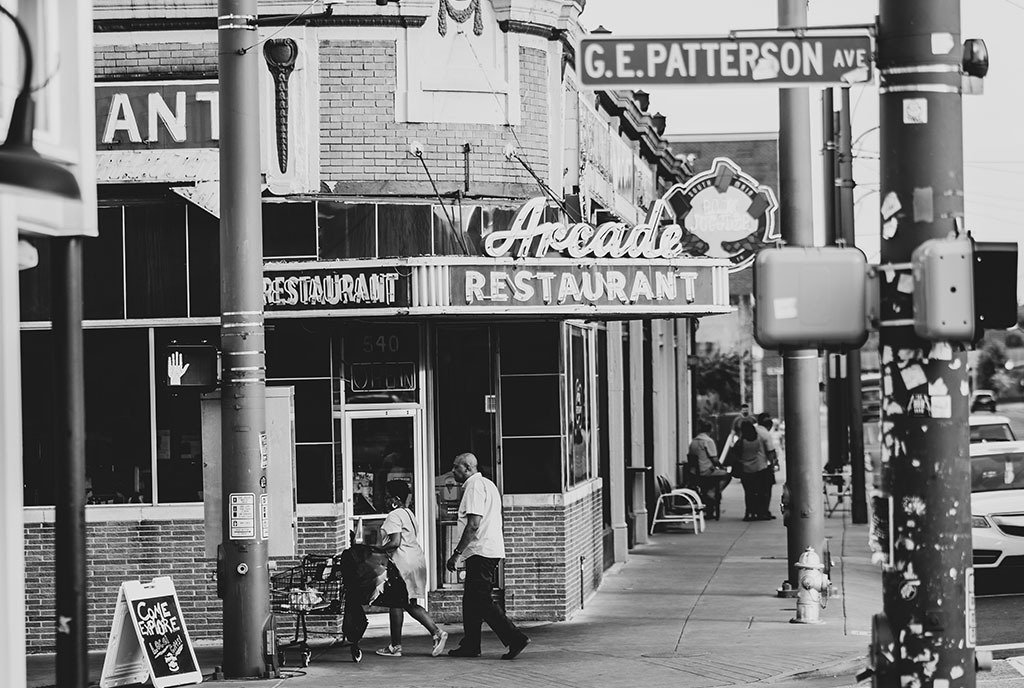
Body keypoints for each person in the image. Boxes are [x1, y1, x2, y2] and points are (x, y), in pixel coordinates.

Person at [444, 452, 530, 660]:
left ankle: (515, 637)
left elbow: (474, 524)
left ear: (468, 468)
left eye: (456, 467)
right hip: (486, 550)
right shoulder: (488, 485)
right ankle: (471, 644)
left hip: (481, 551)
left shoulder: (474, 487)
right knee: (471, 600)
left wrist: (456, 554)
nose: (453, 471)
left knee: (481, 599)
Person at [371, 480, 448, 658]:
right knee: (406, 603)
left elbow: (395, 542)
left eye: (387, 495)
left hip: (402, 565)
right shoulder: (409, 513)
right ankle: (430, 635)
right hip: (416, 561)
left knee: (397, 603)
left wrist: (375, 550)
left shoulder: (394, 515)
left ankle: (400, 645)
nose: (384, 498)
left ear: (395, 499)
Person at [686, 418, 731, 520]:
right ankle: (713, 492)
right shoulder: (708, 441)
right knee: (727, 475)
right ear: (710, 430)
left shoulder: (693, 441)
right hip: (706, 471)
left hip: (694, 473)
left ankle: (710, 499)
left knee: (708, 483)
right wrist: (722, 467)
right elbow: (714, 459)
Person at [732, 418, 775, 521]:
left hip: (746, 469)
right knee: (760, 492)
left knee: (749, 493)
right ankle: (760, 512)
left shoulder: (741, 441)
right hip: (759, 468)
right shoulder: (758, 439)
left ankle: (749, 512)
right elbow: (768, 452)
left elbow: (735, 452)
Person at [755, 413, 779, 520]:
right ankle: (764, 511)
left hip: (750, 466)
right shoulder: (765, 434)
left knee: (754, 491)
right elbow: (771, 452)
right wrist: (774, 464)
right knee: (766, 490)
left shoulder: (753, 430)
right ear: (769, 426)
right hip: (763, 466)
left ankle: (754, 511)